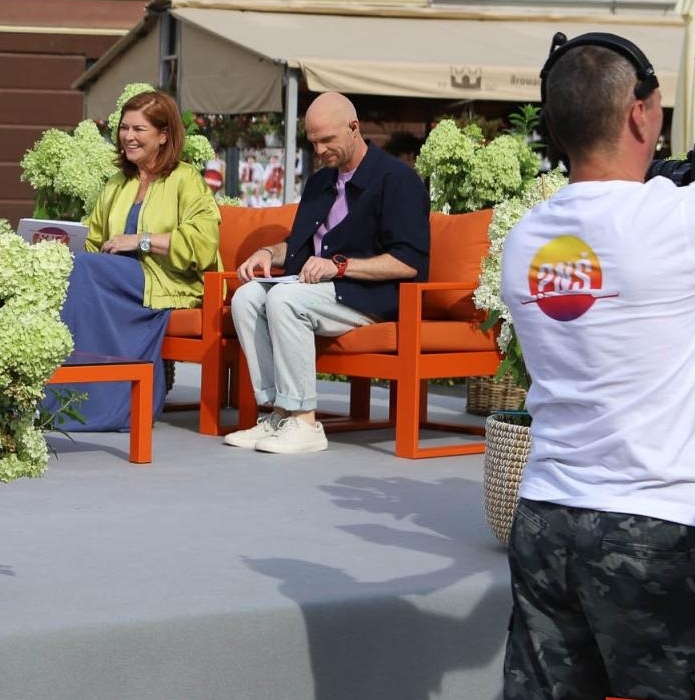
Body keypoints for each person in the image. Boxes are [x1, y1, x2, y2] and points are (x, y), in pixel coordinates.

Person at [496, 34, 695, 700]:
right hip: (658, 537)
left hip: (549, 522)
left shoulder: (525, 241)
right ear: (641, 115)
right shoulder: (681, 220)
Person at [225, 92, 429, 454]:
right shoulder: (320, 183)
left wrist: (340, 266)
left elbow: (410, 261)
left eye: (327, 140)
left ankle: (305, 421)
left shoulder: (397, 180)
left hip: (370, 296)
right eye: (313, 142)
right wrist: (268, 252)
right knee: (247, 297)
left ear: (354, 129)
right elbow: (300, 245)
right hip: (319, 291)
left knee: (285, 299)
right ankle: (279, 414)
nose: (319, 151)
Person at [48, 89, 219, 432]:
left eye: (139, 129)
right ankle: (56, 397)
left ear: (163, 135)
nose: (128, 136)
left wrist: (141, 241)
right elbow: (95, 241)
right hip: (114, 280)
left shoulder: (186, 179)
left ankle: (110, 408)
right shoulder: (117, 183)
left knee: (85, 270)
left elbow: (203, 243)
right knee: (73, 270)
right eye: (125, 128)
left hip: (167, 281)